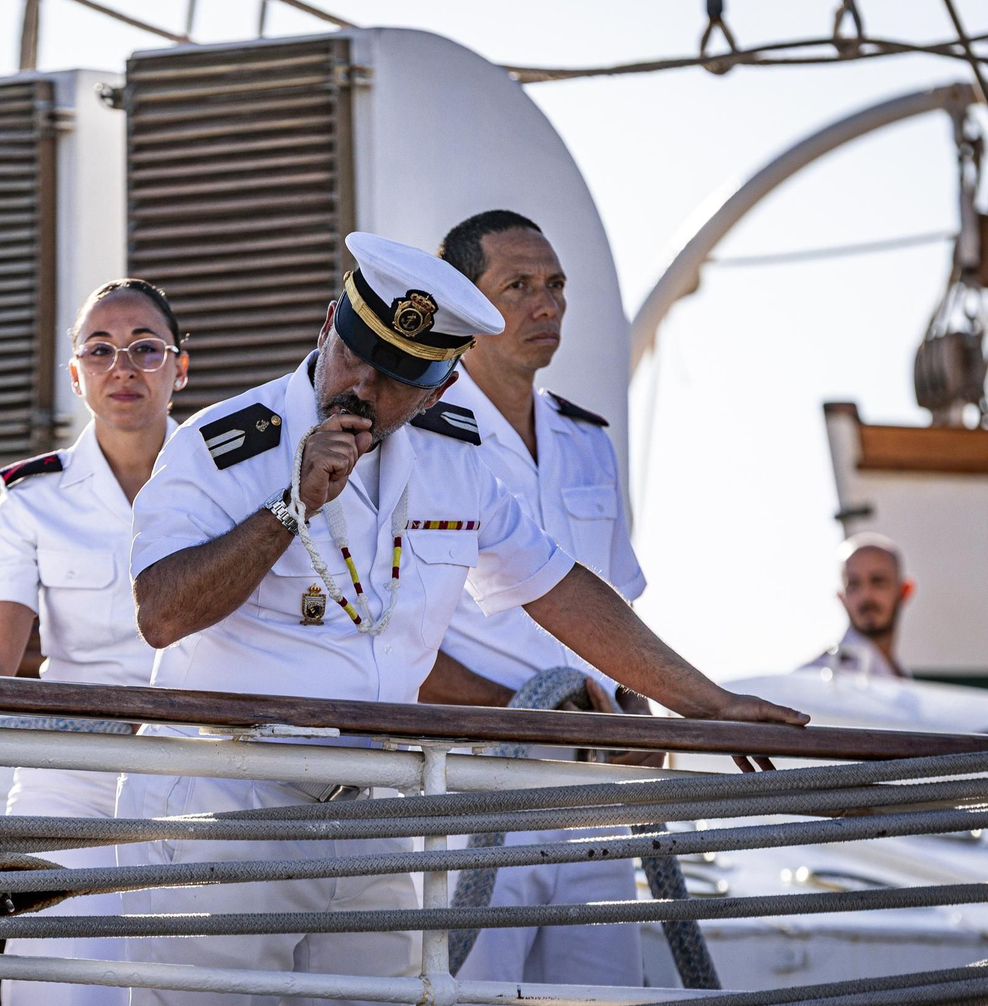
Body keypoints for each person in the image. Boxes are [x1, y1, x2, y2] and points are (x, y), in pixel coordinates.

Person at [120, 231, 807, 1006]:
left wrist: (708, 704)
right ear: (327, 325)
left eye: (394, 379)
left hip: (373, 811)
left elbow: (558, 588)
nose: (361, 388)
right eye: (353, 356)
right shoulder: (224, 447)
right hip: (228, 802)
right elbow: (161, 613)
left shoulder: (453, 460)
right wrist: (290, 506)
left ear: (438, 389)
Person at [420, 209, 652, 987]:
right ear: (463, 304)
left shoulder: (589, 441)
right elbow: (389, 636)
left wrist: (637, 710)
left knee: (606, 998)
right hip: (470, 789)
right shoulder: (416, 440)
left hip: (591, 790)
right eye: (517, 286)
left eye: (555, 285)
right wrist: (516, 714)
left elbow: (614, 607)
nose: (545, 304)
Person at [0, 277, 188, 1006]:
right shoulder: (33, 496)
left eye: (145, 348)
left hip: (198, 762)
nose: (124, 367)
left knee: (196, 979)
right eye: (100, 350)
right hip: (71, 766)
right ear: (76, 376)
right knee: (52, 982)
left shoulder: (226, 479)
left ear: (180, 367)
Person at [804, 533, 913, 678]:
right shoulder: (817, 676)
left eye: (878, 582)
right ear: (842, 598)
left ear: (905, 591)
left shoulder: (900, 674)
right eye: (853, 584)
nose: (866, 595)